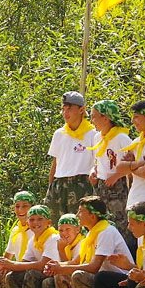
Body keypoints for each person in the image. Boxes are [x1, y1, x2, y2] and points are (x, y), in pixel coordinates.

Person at [44, 196, 133, 288]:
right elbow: (76, 261)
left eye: (80, 212)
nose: (78, 215)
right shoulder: (91, 234)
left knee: (79, 275)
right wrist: (56, 267)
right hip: (101, 278)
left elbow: (93, 267)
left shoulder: (106, 232)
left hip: (119, 281)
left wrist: (62, 268)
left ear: (92, 216)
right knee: (61, 275)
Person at [106, 98, 145, 214]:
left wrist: (131, 167)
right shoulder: (136, 142)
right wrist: (141, 164)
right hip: (134, 199)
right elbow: (120, 167)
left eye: (137, 117)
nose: (132, 121)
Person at [44, 91, 98, 223]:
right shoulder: (59, 134)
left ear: (81, 110)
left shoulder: (93, 134)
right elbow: (55, 162)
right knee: (57, 225)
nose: (65, 113)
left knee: (80, 224)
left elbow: (97, 162)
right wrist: (50, 187)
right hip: (59, 184)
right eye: (63, 109)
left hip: (81, 184)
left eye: (69, 108)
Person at [88, 100, 134, 246]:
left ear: (106, 118)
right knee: (101, 220)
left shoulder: (122, 138)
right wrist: (93, 172)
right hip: (101, 184)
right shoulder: (97, 137)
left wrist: (116, 176)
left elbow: (132, 164)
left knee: (119, 220)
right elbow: (98, 161)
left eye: (94, 116)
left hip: (118, 186)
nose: (92, 120)